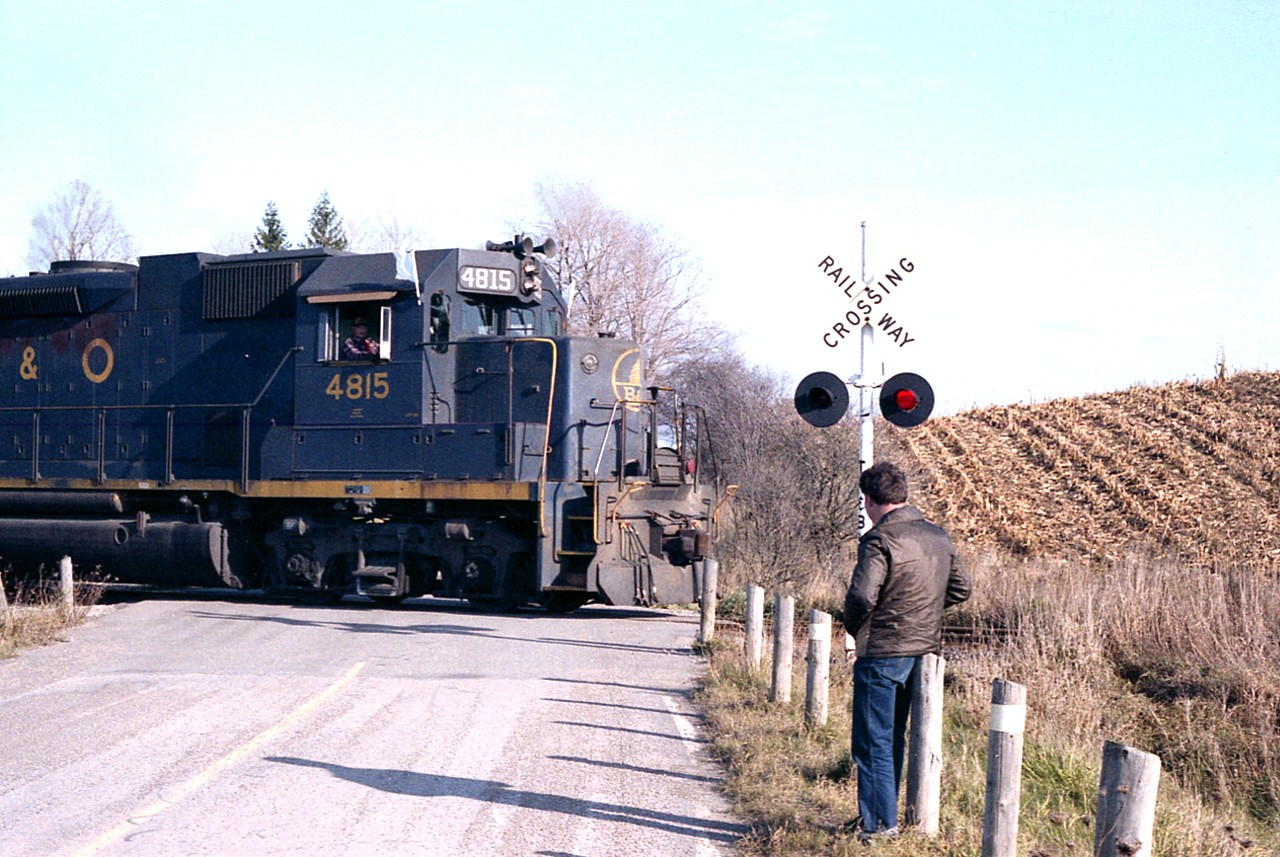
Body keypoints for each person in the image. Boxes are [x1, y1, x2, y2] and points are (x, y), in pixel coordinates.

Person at [843, 461, 971, 843]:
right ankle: (884, 818)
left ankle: (879, 827)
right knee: (895, 736)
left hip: (883, 650)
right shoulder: (937, 536)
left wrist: (854, 626)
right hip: (924, 653)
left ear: (869, 499)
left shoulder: (879, 540)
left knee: (872, 741)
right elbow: (961, 589)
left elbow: (863, 595)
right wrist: (922, 613)